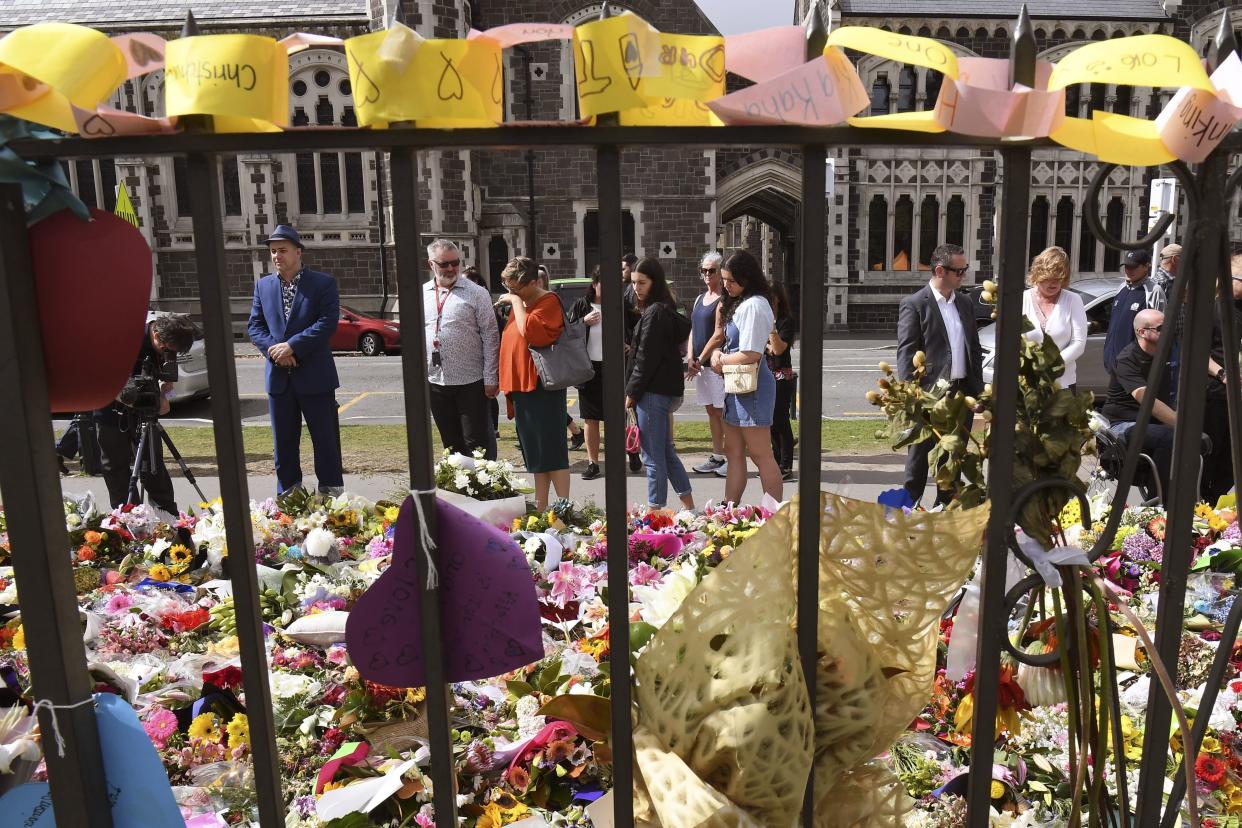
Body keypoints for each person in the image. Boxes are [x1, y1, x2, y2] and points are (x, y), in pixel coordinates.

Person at [247, 225, 345, 496]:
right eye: (273, 251)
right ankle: (289, 497)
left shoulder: (322, 284)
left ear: (298, 252)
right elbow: (255, 327)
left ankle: (332, 497)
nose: (277, 256)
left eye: (283, 250)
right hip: (279, 380)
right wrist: (276, 351)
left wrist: (292, 346)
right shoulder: (263, 286)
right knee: (284, 445)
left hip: (315, 377)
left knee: (325, 442)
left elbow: (327, 323)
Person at [895, 243, 984, 507]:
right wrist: (913, 397)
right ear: (939, 271)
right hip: (928, 398)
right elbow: (906, 355)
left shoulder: (965, 302)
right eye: (958, 271)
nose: (963, 275)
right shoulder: (914, 304)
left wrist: (976, 391)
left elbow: (974, 349)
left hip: (960, 397)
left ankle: (945, 517)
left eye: (964, 269)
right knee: (918, 464)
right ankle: (908, 521)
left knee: (952, 465)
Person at [93, 313, 198, 515]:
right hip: (111, 412)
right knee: (116, 468)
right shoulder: (123, 337)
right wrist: (122, 392)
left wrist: (164, 393)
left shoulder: (167, 345)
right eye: (167, 351)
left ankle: (167, 516)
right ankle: (129, 519)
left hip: (145, 413)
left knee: (153, 466)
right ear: (156, 335)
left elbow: (162, 378)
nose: (170, 356)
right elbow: (99, 372)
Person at [497, 257, 570, 511]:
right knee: (537, 454)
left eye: (515, 288)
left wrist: (516, 302)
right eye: (508, 287)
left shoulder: (547, 301)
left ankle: (563, 508)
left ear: (532, 283)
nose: (510, 292)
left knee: (552, 451)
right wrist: (519, 300)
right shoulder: (525, 301)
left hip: (541, 387)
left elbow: (532, 332)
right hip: (524, 387)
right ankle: (542, 508)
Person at [710, 250, 783, 504]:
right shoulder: (745, 302)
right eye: (724, 280)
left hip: (751, 387)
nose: (726, 285)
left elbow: (751, 353)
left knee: (761, 454)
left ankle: (772, 514)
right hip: (738, 384)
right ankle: (728, 507)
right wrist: (720, 354)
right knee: (734, 452)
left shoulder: (754, 305)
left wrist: (720, 359)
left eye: (731, 280)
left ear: (747, 278)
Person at [626, 258, 695, 510]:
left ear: (655, 282)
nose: (636, 288)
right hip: (663, 389)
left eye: (642, 282)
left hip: (652, 391)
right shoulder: (663, 308)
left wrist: (631, 392)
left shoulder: (655, 311)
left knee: (652, 456)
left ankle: (655, 513)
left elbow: (646, 357)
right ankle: (689, 508)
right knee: (665, 452)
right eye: (633, 283)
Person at [422, 239, 500, 460]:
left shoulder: (476, 293)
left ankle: (484, 489)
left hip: (471, 381)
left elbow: (491, 336)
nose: (450, 268)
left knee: (476, 443)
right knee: (450, 443)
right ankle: (459, 491)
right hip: (436, 380)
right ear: (431, 265)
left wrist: (491, 377)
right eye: (444, 264)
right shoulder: (422, 294)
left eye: (455, 263)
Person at [1100, 309, 1178, 498]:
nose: (1168, 330)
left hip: (1152, 423)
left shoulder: (1169, 351)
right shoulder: (1127, 359)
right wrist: (1182, 424)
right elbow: (1147, 400)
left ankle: (1203, 501)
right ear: (1142, 332)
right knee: (1171, 436)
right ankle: (1159, 506)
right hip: (1122, 425)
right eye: (1161, 327)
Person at [1021, 246, 1088, 392]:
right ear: (1037, 274)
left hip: (1063, 384)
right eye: (1048, 278)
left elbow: (1079, 343)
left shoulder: (1073, 300)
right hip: (1027, 384)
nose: (1053, 283)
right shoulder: (1022, 299)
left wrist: (1051, 365)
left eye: (1059, 279)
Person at [686, 251, 728, 476]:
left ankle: (731, 458)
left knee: (723, 412)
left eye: (711, 270)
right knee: (711, 411)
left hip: (715, 366)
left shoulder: (723, 301)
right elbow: (693, 330)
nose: (706, 274)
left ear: (720, 273)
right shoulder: (699, 299)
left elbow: (718, 335)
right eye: (703, 270)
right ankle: (717, 455)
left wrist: (700, 359)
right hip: (701, 365)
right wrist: (691, 358)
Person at [1103, 248, 1165, 376]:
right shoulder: (1121, 288)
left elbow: (1159, 330)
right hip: (1113, 363)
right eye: (1126, 266)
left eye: (1133, 267)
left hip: (1135, 366)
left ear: (1146, 266)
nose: (1128, 270)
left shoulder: (1153, 291)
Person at [568, 269, 605, 480]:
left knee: (620, 416)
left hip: (615, 367)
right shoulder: (582, 305)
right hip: (589, 368)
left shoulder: (621, 306)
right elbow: (566, 332)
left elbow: (633, 330)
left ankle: (631, 451)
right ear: (594, 284)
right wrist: (584, 322)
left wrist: (628, 344)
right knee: (591, 418)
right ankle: (593, 463)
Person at [463, 265, 501, 454]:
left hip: (483, 368)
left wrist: (491, 375)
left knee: (486, 409)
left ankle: (493, 430)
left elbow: (492, 335)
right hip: (461, 371)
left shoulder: (481, 299)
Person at [767, 282, 798, 481]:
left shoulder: (785, 321)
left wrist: (770, 328)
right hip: (766, 375)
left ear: (777, 298)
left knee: (781, 419)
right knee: (770, 422)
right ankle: (776, 461)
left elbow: (777, 350)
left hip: (781, 376)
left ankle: (786, 464)